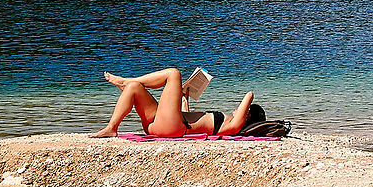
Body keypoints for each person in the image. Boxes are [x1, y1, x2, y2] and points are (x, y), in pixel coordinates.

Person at [89, 67, 261, 138]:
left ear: (248, 115)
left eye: (243, 110)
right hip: (166, 122)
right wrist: (184, 99)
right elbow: (190, 118)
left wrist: (246, 108)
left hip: (172, 127)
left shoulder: (234, 125)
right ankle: (112, 128)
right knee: (135, 88)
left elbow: (250, 94)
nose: (238, 109)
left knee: (173, 73)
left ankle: (124, 81)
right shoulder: (230, 121)